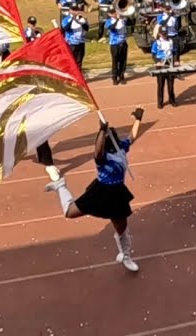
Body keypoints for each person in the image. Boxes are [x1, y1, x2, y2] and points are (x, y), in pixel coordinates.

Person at [45, 112, 146, 273]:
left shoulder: (121, 148)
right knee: (69, 212)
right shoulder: (102, 157)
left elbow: (133, 136)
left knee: (122, 227)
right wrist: (101, 131)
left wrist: (138, 119)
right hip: (101, 191)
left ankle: (126, 256)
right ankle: (61, 186)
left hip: (117, 193)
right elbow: (97, 152)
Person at [151, 29, 177, 109]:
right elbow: (153, 54)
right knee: (160, 84)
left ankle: (172, 100)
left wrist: (176, 60)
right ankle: (160, 102)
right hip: (161, 64)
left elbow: (175, 52)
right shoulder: (156, 43)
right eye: (162, 34)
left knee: (170, 84)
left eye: (165, 34)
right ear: (159, 34)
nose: (164, 35)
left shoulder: (171, 41)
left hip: (169, 63)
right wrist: (157, 61)